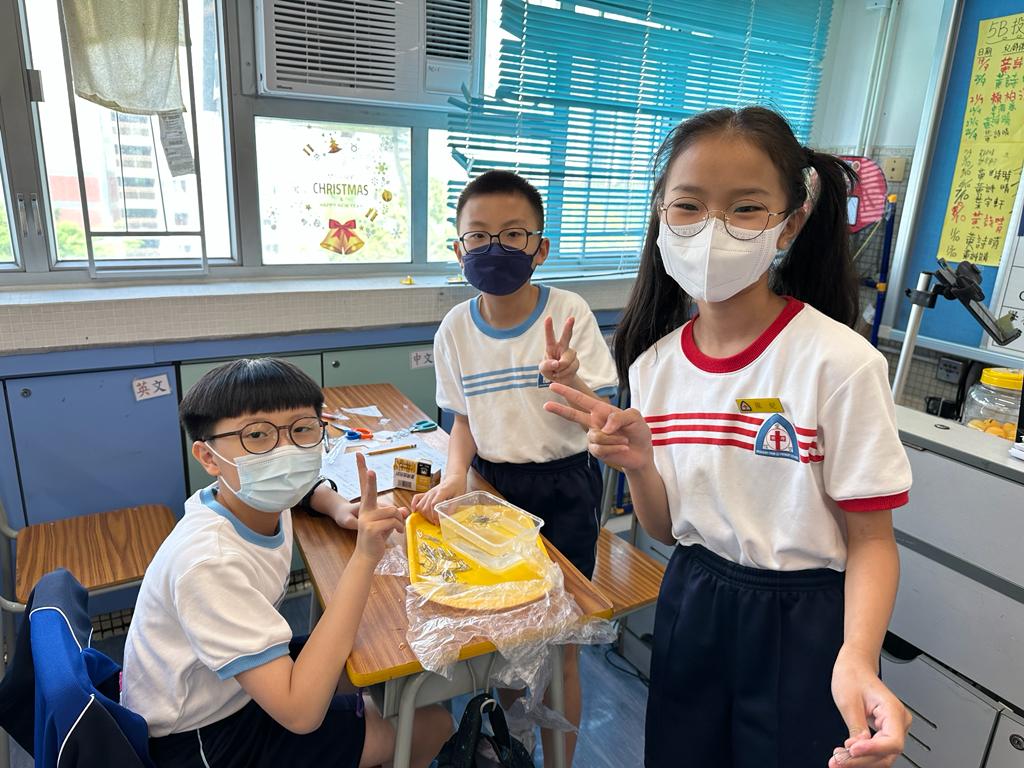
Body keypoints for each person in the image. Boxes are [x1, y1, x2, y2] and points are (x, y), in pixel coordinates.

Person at [544, 107, 913, 768]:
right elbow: (665, 529)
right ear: (661, 214)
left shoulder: (840, 363)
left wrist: (858, 656)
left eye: (745, 209)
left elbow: (872, 540)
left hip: (805, 620)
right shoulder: (654, 366)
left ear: (790, 223)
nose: (712, 229)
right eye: (689, 205)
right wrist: (640, 466)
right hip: (694, 600)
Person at [121, 358, 451, 768]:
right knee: (433, 724)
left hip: (230, 686)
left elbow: (300, 486)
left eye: (301, 430)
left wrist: (336, 506)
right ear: (208, 457)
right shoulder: (209, 563)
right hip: (203, 737)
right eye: (257, 435)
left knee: (379, 662)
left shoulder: (246, 497)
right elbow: (300, 714)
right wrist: (365, 555)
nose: (286, 453)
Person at [412, 170, 618, 765]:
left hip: (565, 485)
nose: (493, 247)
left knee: (561, 641)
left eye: (512, 234)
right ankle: (513, 743)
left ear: (540, 248)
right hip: (493, 489)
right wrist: (456, 477)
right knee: (508, 637)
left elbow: (603, 416)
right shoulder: (455, 328)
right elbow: (463, 419)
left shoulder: (569, 311)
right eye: (478, 236)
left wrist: (570, 378)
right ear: (458, 249)